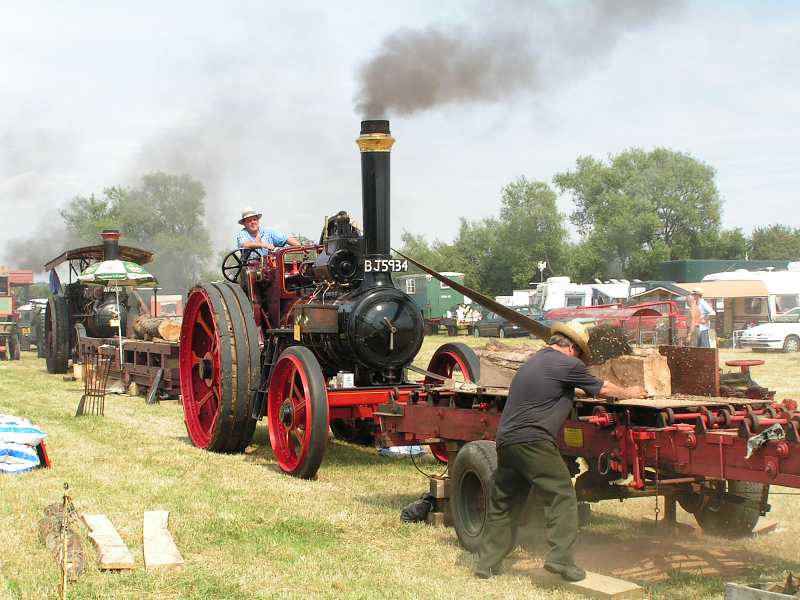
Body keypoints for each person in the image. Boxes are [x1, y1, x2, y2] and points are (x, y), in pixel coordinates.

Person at [475, 321, 647, 583]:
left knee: (504, 502)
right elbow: (604, 388)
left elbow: (560, 387)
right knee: (562, 496)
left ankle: (486, 564)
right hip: (534, 441)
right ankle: (561, 560)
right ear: (572, 349)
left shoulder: (534, 362)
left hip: (507, 441)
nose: (580, 360)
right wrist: (630, 392)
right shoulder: (568, 364)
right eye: (580, 354)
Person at [235, 208, 300, 257]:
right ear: (244, 224)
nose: (253, 222)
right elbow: (245, 245)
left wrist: (300, 247)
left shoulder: (269, 232)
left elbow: (285, 238)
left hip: (269, 267)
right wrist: (265, 245)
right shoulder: (242, 234)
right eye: (249, 221)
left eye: (254, 219)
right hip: (251, 268)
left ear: (258, 220)